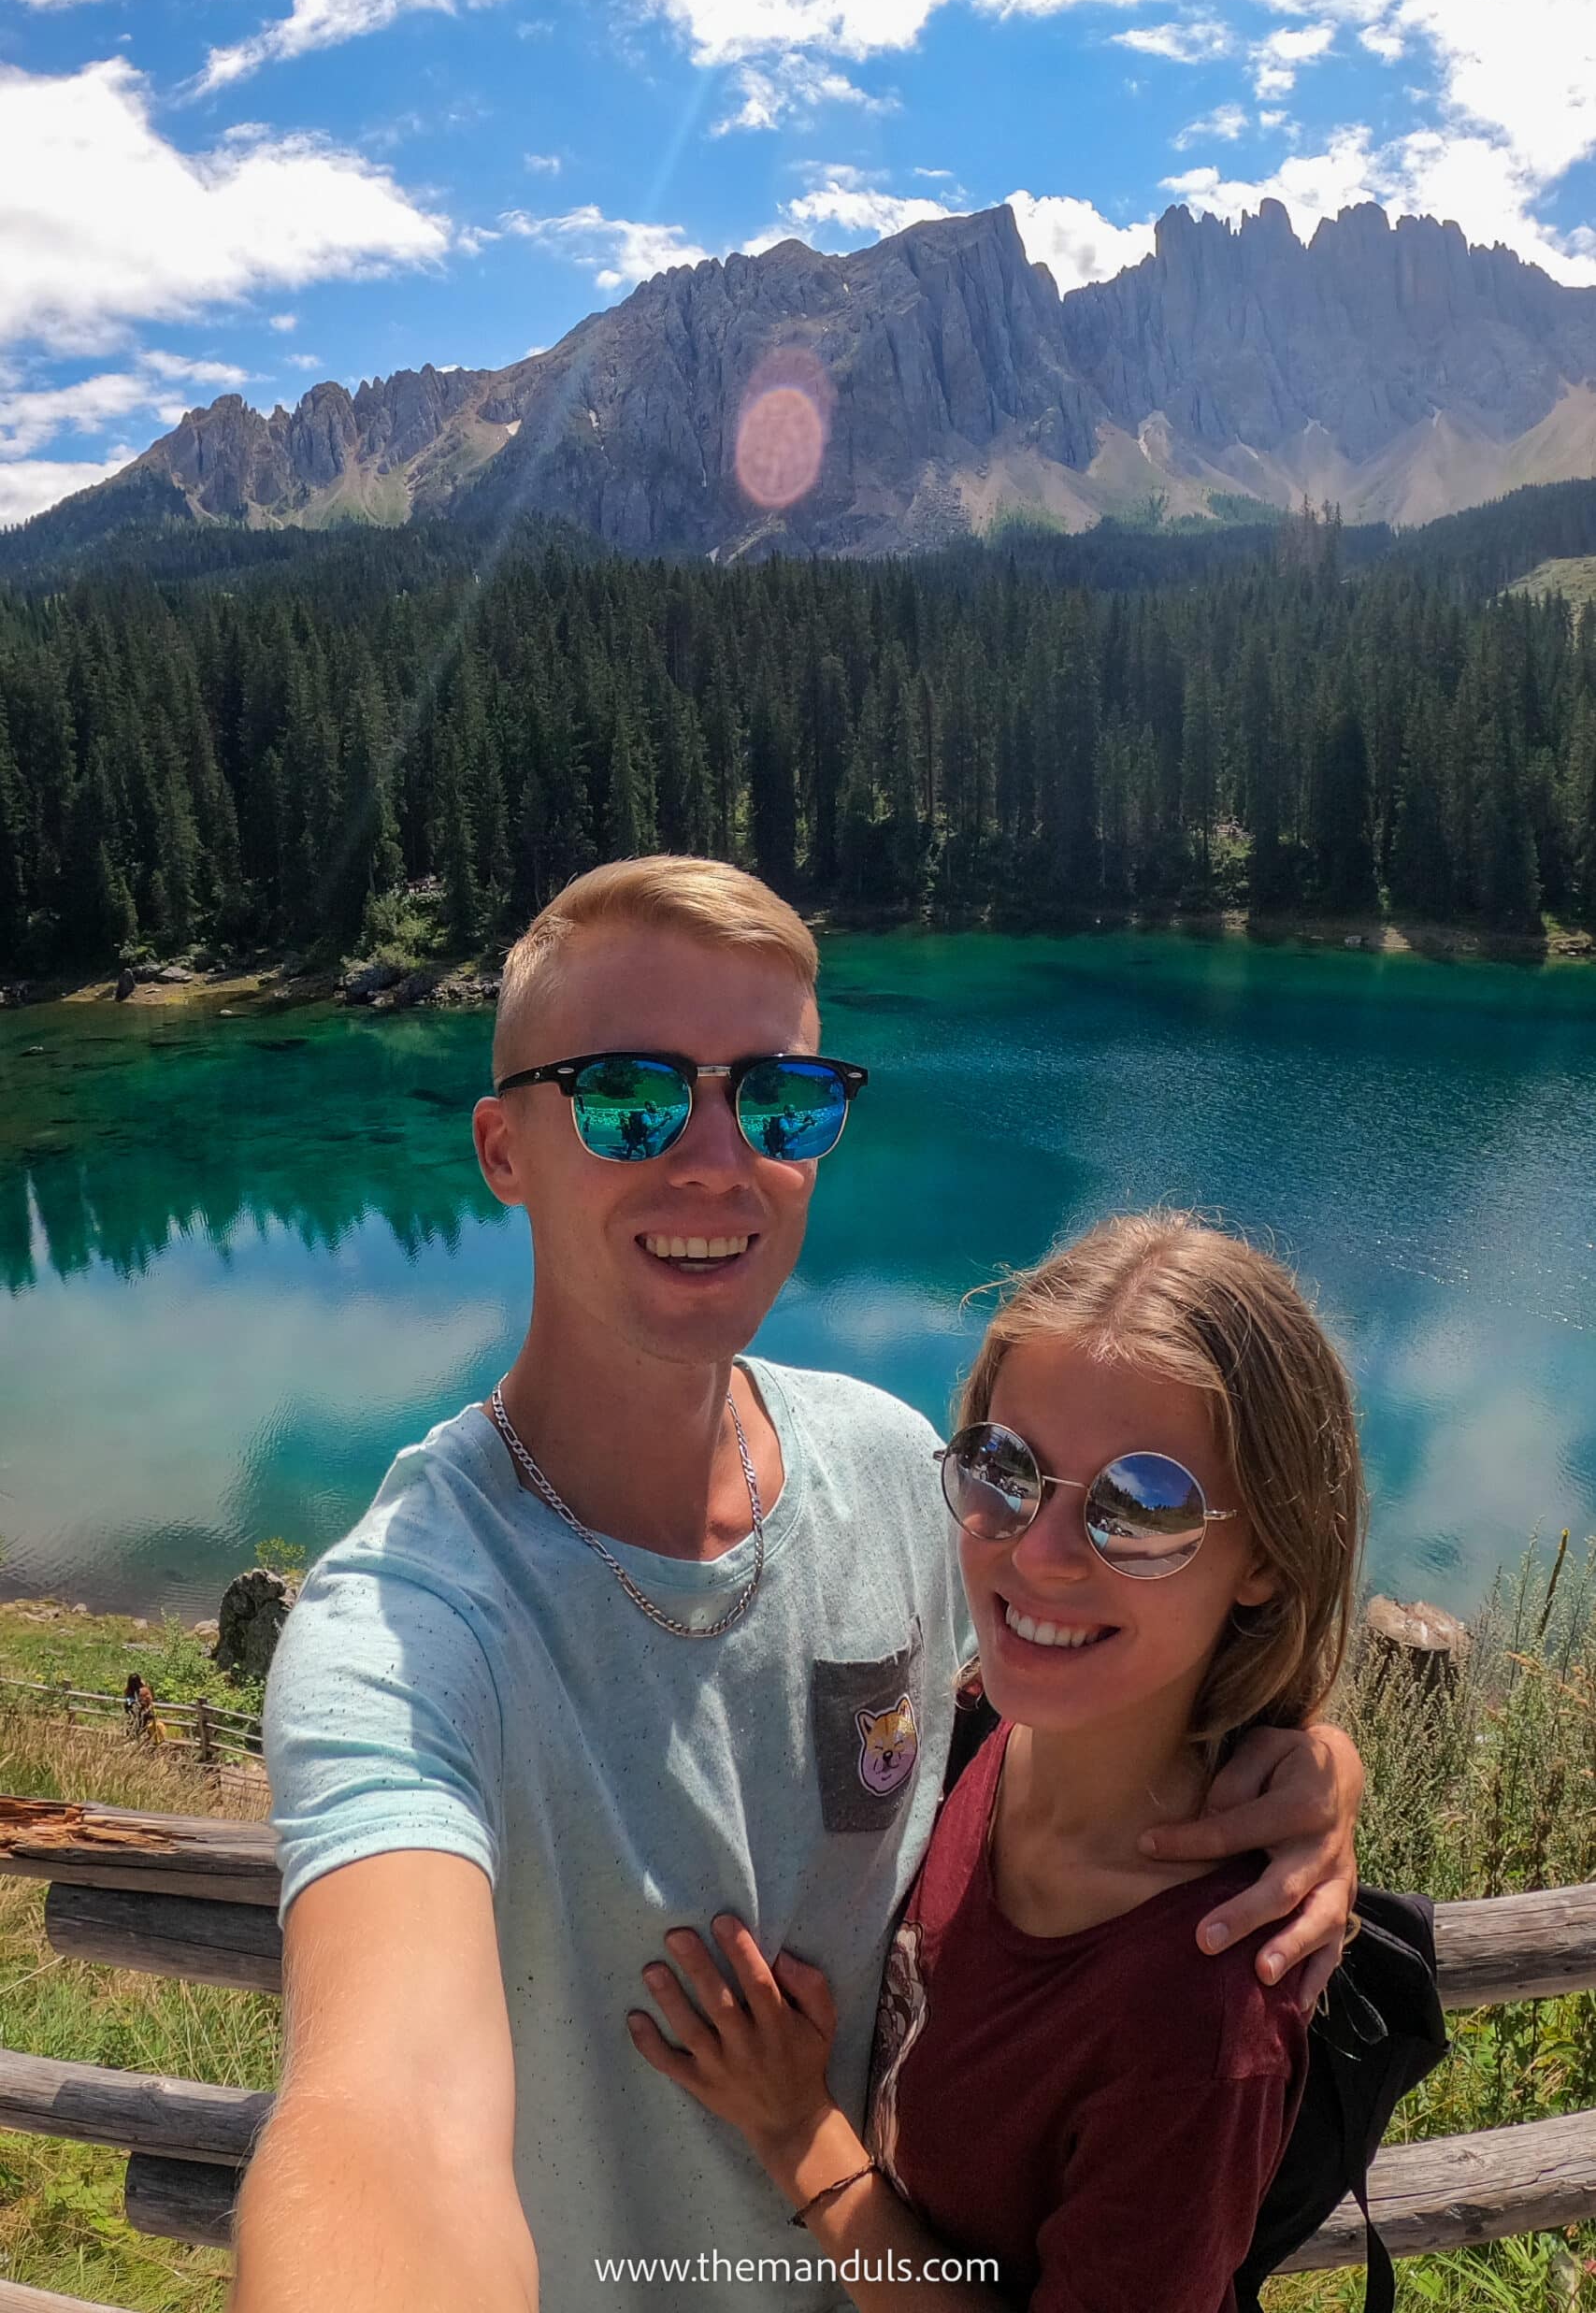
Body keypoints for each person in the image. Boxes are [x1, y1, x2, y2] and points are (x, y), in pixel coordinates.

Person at [234, 857, 1365, 2313]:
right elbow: (386, 2109)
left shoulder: (898, 1473)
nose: (714, 1159)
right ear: (502, 1147)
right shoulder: (404, 1631)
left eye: (774, 1099)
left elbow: (1103, 1672)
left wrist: (1295, 1759)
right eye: (628, 1096)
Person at [629, 1212, 1366, 2309]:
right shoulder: (991, 1725)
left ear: (1267, 1550)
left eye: (1142, 1506)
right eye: (1005, 1469)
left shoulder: (1199, 2006)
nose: (1042, 1550)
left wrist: (799, 2136)